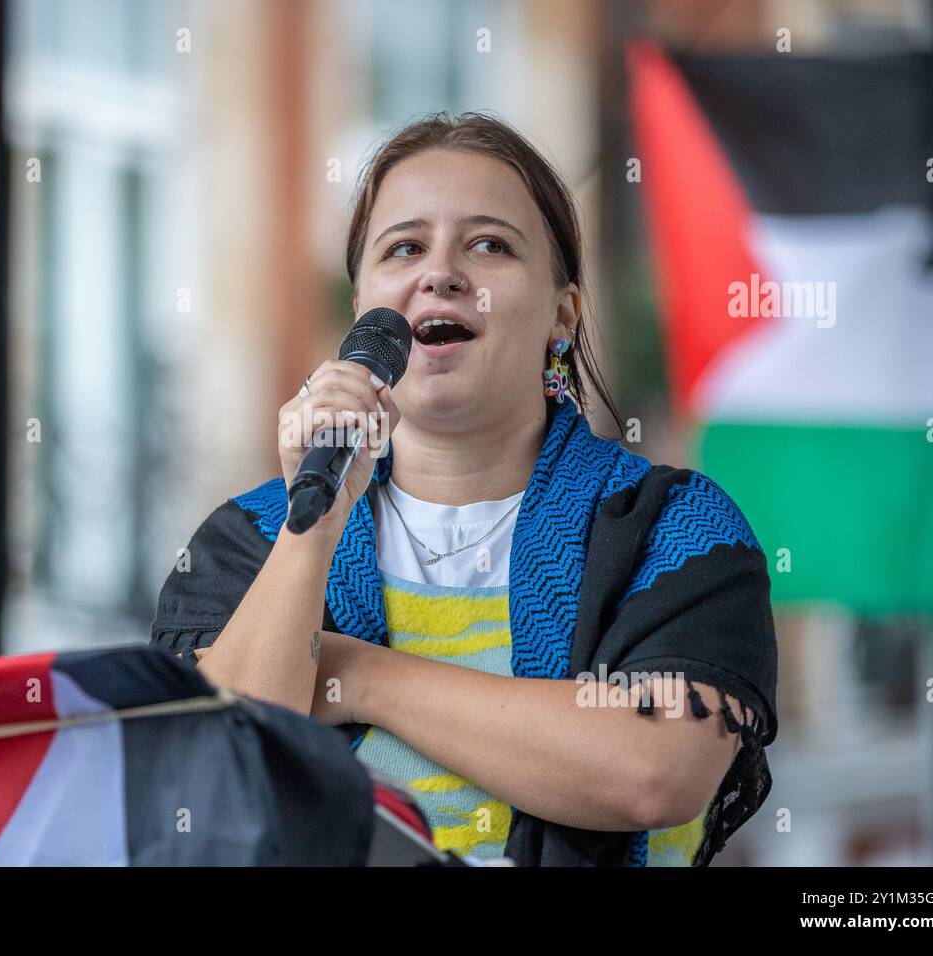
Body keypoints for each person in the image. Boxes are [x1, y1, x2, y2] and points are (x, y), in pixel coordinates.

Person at [150, 111, 777, 866]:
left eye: (489, 245)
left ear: (562, 314)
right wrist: (312, 527)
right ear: (361, 309)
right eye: (405, 247)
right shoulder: (248, 541)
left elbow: (650, 772)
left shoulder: (671, 528)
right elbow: (205, 776)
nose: (440, 274)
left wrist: (355, 674)